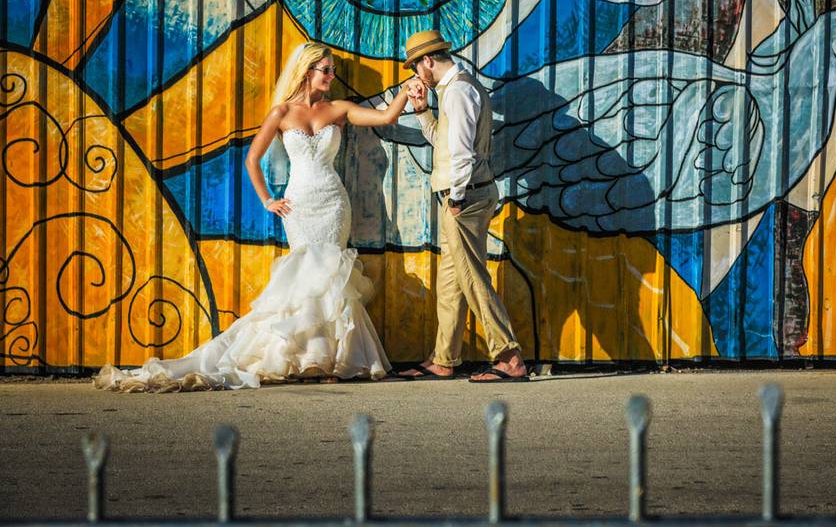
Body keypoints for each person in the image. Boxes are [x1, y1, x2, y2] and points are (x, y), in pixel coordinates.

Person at [95, 42, 421, 392]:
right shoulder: (281, 113)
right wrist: (268, 200)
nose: (331, 75)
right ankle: (302, 355)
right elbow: (252, 160)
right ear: (307, 71)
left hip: (333, 204)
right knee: (304, 276)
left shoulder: (338, 109)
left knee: (330, 276)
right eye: (325, 70)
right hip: (299, 206)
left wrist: (405, 90)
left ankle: (331, 361)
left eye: (331, 70)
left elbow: (385, 118)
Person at [398, 30, 528, 383]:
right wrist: (423, 113)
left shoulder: (457, 92)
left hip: (464, 197)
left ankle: (508, 356)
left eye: (416, 66)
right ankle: (444, 359)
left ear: (428, 61)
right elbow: (446, 142)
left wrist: (455, 199)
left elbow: (460, 154)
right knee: (452, 281)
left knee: (472, 278)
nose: (416, 75)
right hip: (464, 194)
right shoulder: (454, 91)